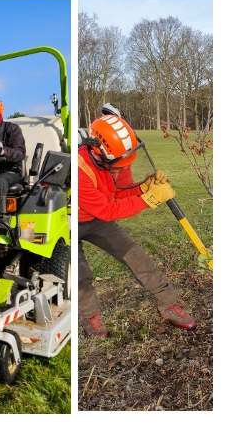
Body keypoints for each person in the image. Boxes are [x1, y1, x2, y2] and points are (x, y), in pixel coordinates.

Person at [78, 113, 196, 337]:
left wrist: (144, 187)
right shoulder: (79, 170)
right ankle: (88, 315)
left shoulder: (121, 156)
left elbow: (120, 193)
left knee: (136, 256)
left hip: (98, 219)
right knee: (80, 272)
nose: (123, 167)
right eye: (119, 164)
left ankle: (168, 304)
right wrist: (149, 199)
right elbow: (108, 210)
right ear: (97, 151)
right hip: (71, 222)